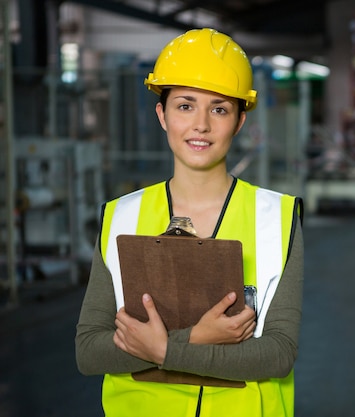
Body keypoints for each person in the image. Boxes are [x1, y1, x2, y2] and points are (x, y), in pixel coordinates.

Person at [75, 28, 304, 417]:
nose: (201, 125)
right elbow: (89, 352)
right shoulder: (121, 216)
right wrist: (196, 340)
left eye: (219, 108)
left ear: (239, 121)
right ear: (162, 115)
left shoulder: (276, 218)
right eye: (185, 105)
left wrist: (164, 350)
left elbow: (278, 354)